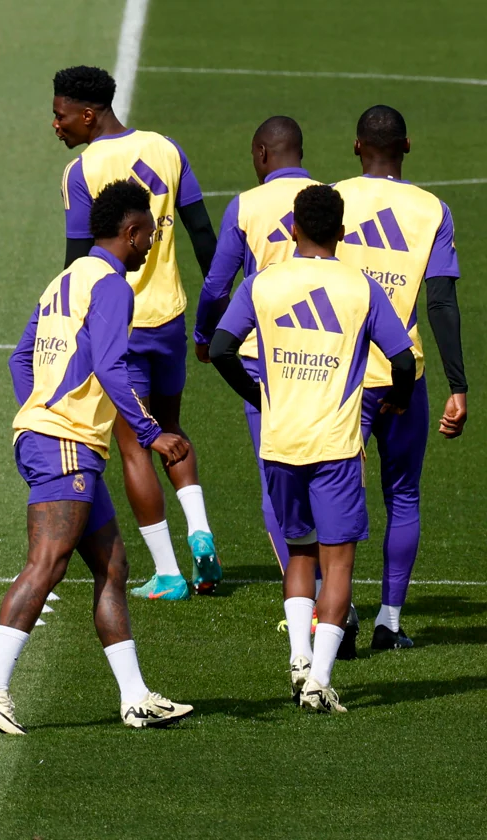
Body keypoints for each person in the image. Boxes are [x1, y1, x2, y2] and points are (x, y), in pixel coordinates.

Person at [0, 180, 194, 733]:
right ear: (131, 231)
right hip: (64, 441)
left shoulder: (64, 281)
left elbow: (22, 358)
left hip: (54, 437)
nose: (151, 245)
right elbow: (114, 369)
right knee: (48, 563)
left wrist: (42, 408)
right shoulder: (113, 287)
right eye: (150, 235)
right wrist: (151, 432)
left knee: (113, 567)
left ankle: (135, 696)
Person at [210, 185, 415, 712]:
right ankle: (321, 680)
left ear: (292, 231)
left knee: (299, 550)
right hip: (337, 444)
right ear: (342, 234)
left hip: (280, 441)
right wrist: (397, 400)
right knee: (339, 560)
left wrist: (262, 394)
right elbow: (404, 361)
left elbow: (221, 348)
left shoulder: (263, 283)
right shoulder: (361, 288)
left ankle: (299, 659)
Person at [52, 65, 220, 599]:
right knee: (171, 425)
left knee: (134, 448)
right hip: (169, 318)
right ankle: (201, 533)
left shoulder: (83, 171)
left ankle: (168, 572)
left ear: (86, 113)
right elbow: (201, 234)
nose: (55, 125)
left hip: (117, 328)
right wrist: (212, 317)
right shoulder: (166, 148)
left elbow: (78, 262)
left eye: (59, 116)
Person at [334, 105, 467, 651]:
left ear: (356, 146)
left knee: (336, 496)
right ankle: (390, 622)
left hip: (339, 376)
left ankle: (336, 620)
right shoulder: (433, 209)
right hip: (404, 375)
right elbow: (440, 301)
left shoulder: (330, 197)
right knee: (404, 495)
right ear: (407, 146)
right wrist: (459, 386)